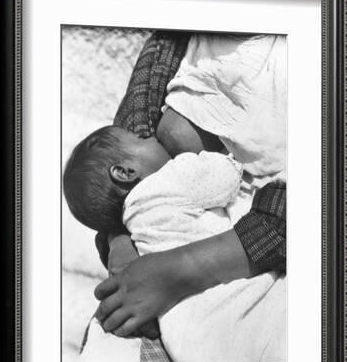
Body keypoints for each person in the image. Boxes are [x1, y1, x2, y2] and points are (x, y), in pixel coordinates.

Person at [93, 31, 287, 344]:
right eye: (146, 138)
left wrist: (182, 270)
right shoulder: (171, 43)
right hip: (161, 280)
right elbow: (122, 145)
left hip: (253, 254)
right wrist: (119, 238)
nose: (149, 137)